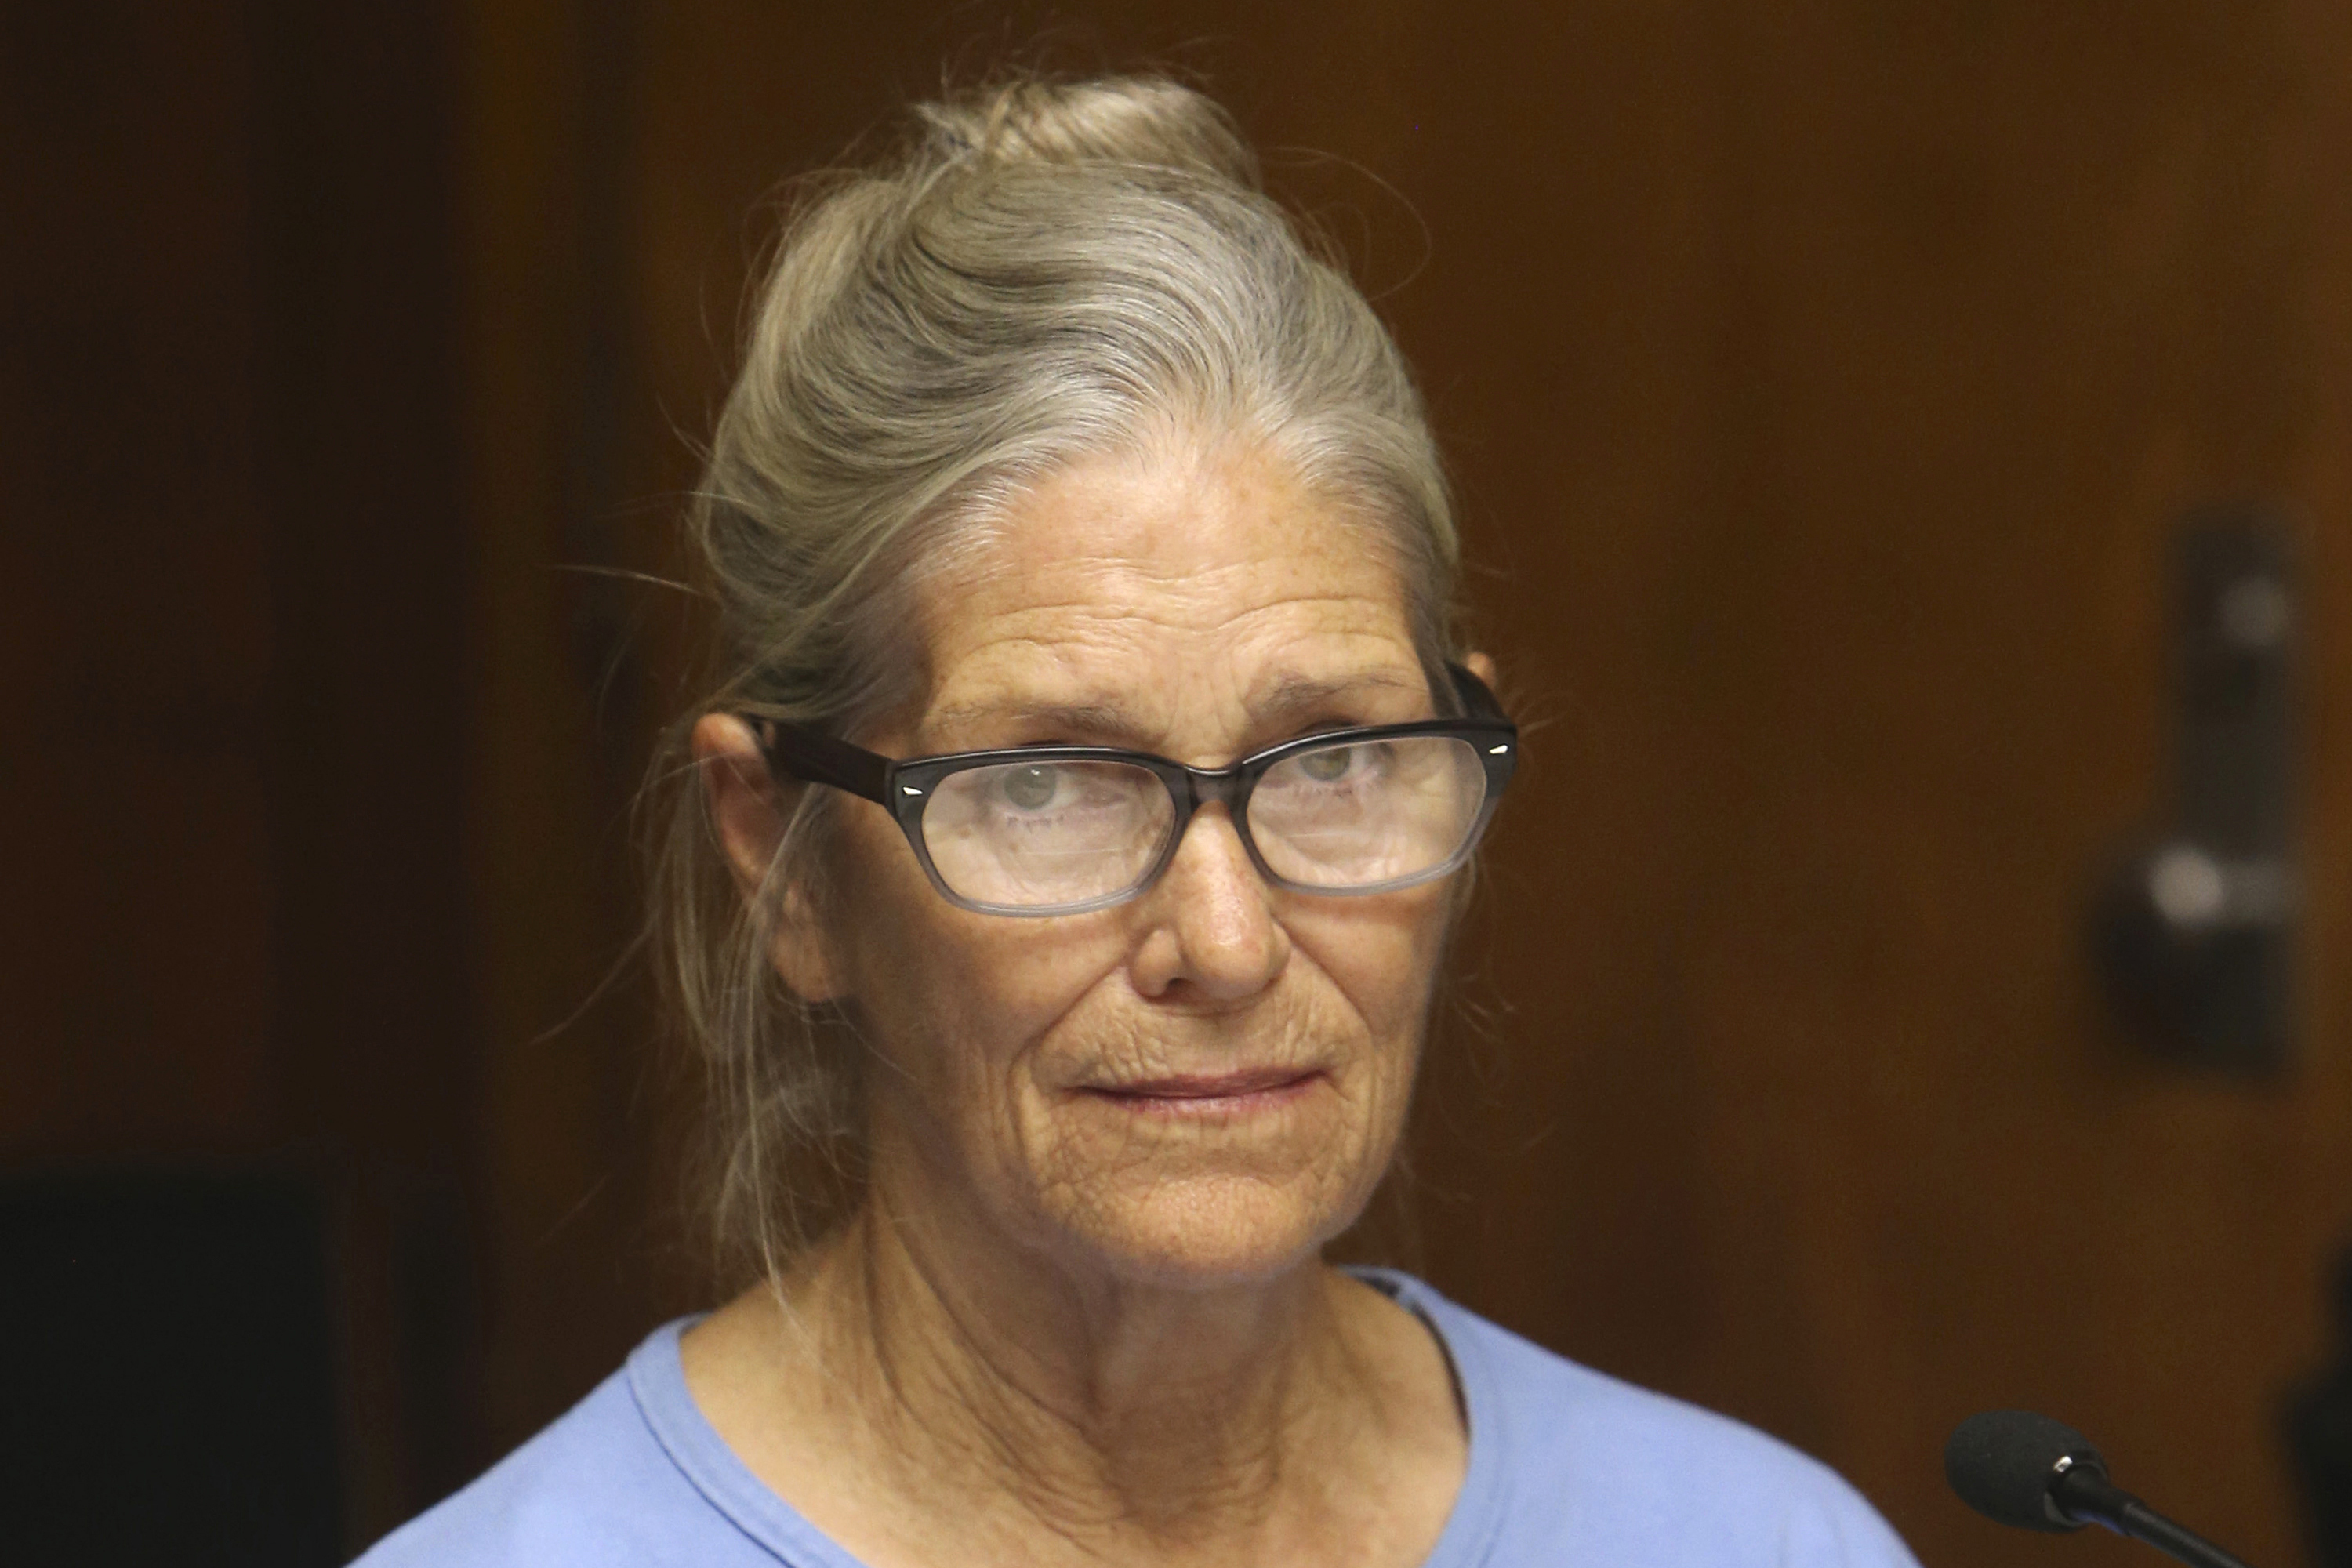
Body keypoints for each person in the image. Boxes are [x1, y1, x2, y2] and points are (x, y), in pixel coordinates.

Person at [360, 73, 1919, 1568]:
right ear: (786, 851)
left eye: (1333, 760)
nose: (1229, 943)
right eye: (1044, 783)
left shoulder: (1764, 1544)